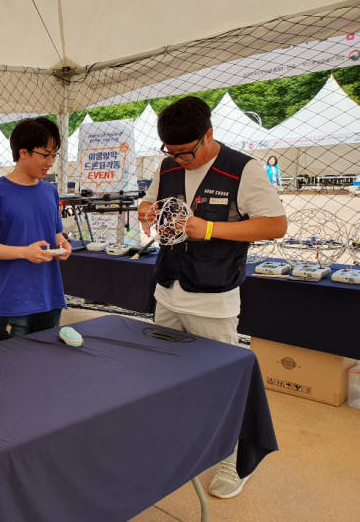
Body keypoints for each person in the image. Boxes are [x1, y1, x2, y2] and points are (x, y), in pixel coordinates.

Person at [137, 96, 287, 499]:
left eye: (187, 152)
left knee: (225, 381)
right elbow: (151, 200)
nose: (180, 160)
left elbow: (275, 225)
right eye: (172, 152)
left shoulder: (243, 169)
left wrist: (210, 229)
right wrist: (146, 209)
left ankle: (233, 460)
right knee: (167, 374)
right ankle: (180, 443)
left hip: (213, 296)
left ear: (209, 134)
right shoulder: (168, 164)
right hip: (168, 289)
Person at [0, 117, 71, 342]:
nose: (50, 162)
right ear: (23, 152)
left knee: (48, 366)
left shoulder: (49, 191)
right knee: (14, 372)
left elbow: (54, 232)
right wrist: (25, 252)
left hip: (50, 296)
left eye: (53, 155)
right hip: (13, 301)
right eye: (45, 154)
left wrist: (62, 242)